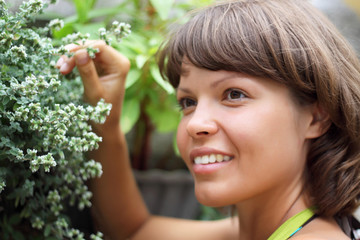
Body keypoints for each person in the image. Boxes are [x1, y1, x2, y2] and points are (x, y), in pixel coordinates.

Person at [56, 0, 360, 239]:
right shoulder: (251, 232)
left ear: (317, 116)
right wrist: (105, 121)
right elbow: (132, 231)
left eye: (234, 94)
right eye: (187, 102)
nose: (194, 123)